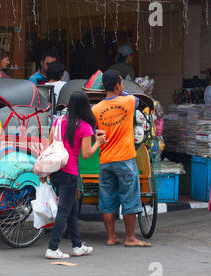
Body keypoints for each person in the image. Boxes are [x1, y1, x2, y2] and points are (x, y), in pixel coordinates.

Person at [43, 91, 107, 260]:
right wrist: (98, 143)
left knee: (72, 207)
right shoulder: (85, 126)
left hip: (55, 171)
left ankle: (77, 245)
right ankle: (53, 247)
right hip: (70, 173)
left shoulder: (58, 121)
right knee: (64, 210)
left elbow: (50, 145)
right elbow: (86, 154)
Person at [92, 69, 151, 248]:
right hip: (125, 159)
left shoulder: (96, 109)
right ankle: (130, 238)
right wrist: (121, 91)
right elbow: (137, 99)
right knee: (129, 198)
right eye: (121, 83)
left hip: (105, 160)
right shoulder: (128, 101)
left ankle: (111, 237)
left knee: (107, 200)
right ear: (118, 85)